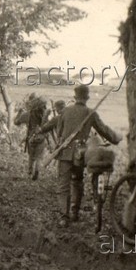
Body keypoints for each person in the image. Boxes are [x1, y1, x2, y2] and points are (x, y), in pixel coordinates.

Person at [53, 85, 121, 226]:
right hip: (80, 154)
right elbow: (104, 130)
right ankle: (75, 212)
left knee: (63, 185)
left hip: (65, 152)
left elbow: (59, 133)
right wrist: (116, 138)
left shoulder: (64, 111)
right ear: (87, 97)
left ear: (75, 97)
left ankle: (64, 217)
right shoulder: (91, 113)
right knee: (77, 180)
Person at [15, 94, 50, 180]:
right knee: (39, 157)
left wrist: (19, 113)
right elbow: (48, 126)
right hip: (41, 137)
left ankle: (30, 172)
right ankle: (36, 171)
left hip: (31, 137)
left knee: (31, 156)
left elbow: (16, 122)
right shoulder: (45, 115)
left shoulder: (27, 114)